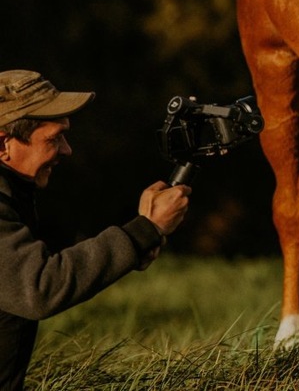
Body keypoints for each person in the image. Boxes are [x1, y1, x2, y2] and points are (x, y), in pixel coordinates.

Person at [0, 69, 190, 390]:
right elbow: (40, 286)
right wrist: (143, 232)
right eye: (54, 138)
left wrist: (142, 235)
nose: (67, 150)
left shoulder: (14, 194)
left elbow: (48, 259)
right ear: (4, 144)